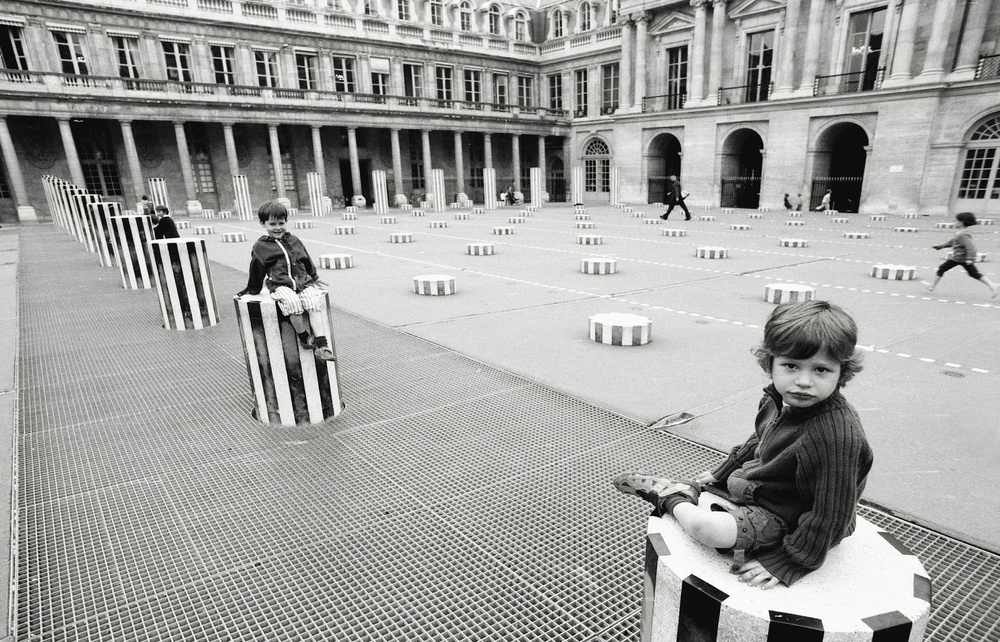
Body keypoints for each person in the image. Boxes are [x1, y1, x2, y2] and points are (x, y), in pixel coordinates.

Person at [613, 300, 873, 589]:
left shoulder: (834, 436)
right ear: (770, 362)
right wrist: (722, 472)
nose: (803, 381)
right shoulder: (779, 398)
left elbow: (831, 514)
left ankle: (672, 497)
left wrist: (790, 561)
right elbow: (760, 439)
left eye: (821, 370)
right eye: (791, 365)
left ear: (841, 371)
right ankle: (691, 490)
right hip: (766, 488)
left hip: (792, 517)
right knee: (722, 491)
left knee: (706, 528)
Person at [237, 201, 337, 361]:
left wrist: (315, 277)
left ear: (286, 222)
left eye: (281, 223)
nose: (278, 228)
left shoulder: (294, 240)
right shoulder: (261, 246)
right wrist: (252, 289)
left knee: (313, 303)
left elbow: (306, 259)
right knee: (293, 303)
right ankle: (304, 337)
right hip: (280, 284)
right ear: (263, 223)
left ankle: (322, 345)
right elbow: (256, 268)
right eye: (272, 224)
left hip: (302, 282)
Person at [921, 211, 999, 298]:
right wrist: (941, 246)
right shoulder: (961, 233)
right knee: (973, 273)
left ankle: (931, 286)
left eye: (956, 221)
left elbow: (971, 247)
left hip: (960, 258)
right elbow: (952, 242)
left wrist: (970, 258)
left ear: (961, 223)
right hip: (960, 258)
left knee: (942, 268)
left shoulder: (962, 234)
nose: (954, 222)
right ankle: (992, 285)